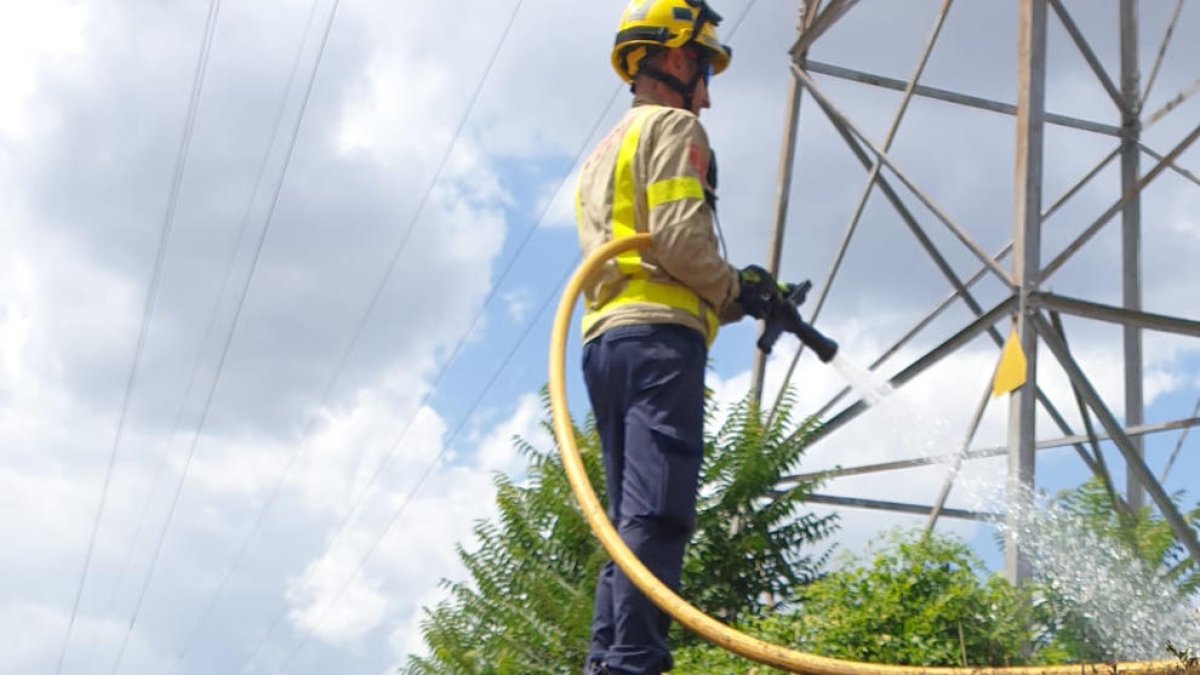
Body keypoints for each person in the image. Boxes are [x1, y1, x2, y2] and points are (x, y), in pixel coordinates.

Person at [574, 1, 783, 672]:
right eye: (704, 70)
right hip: (660, 344)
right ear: (672, 57)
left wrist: (731, 295)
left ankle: (609, 658)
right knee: (658, 511)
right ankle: (635, 661)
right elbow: (680, 242)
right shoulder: (674, 127)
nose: (708, 96)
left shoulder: (604, 148)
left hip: (606, 343)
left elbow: (650, 251)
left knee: (627, 519)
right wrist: (732, 288)